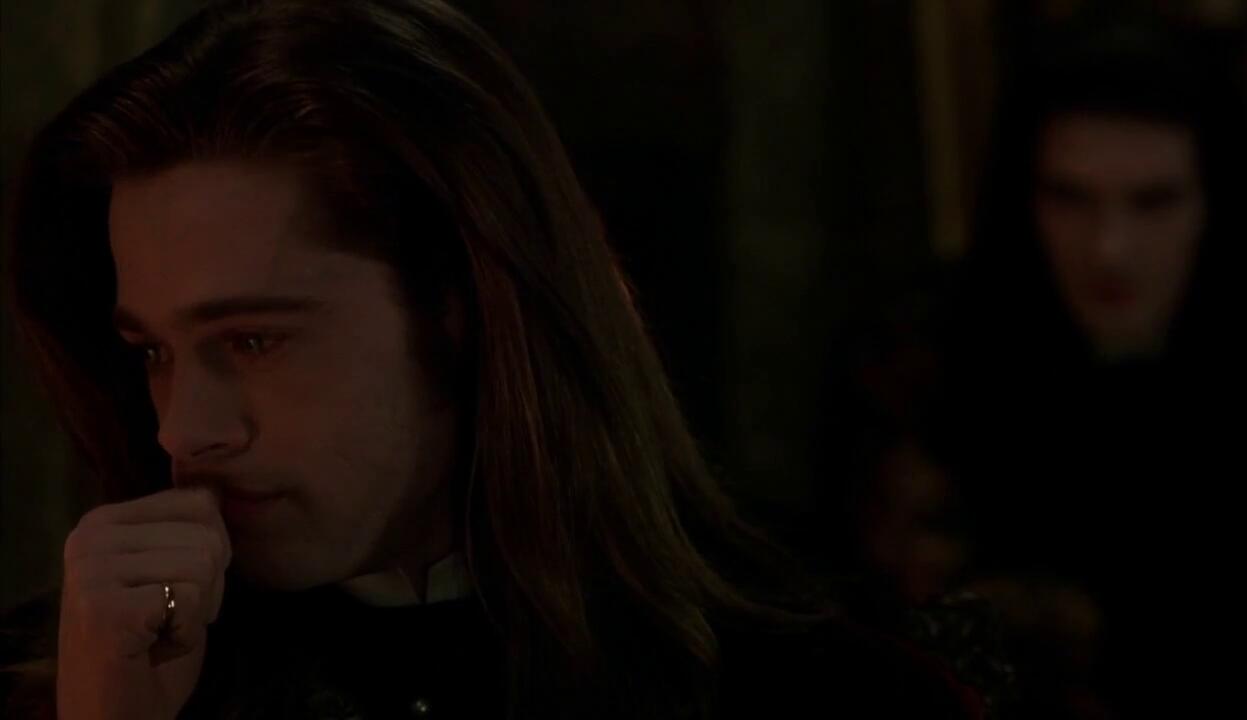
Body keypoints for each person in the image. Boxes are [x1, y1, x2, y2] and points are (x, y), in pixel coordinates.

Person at [0, 1, 978, 718]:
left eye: (253, 340)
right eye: (153, 350)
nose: (183, 430)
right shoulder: (80, 680)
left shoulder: (824, 693)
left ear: (460, 309)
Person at [929, 13, 1247, 719]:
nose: (1108, 248)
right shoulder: (936, 380)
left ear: (1215, 204)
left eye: (1154, 202)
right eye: (1069, 198)